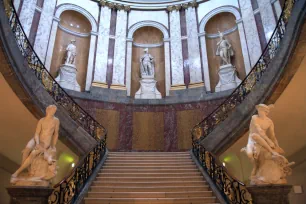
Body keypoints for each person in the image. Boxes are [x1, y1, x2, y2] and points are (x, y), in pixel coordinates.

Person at [11, 105, 59, 179]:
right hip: (37, 139)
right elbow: (36, 133)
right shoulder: (42, 120)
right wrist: (37, 143)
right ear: (47, 110)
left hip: (45, 143)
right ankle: (29, 169)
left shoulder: (56, 120)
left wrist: (54, 145)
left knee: (33, 153)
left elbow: (56, 134)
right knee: (26, 150)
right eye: (51, 110)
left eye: (54, 111)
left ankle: (17, 172)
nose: (53, 112)